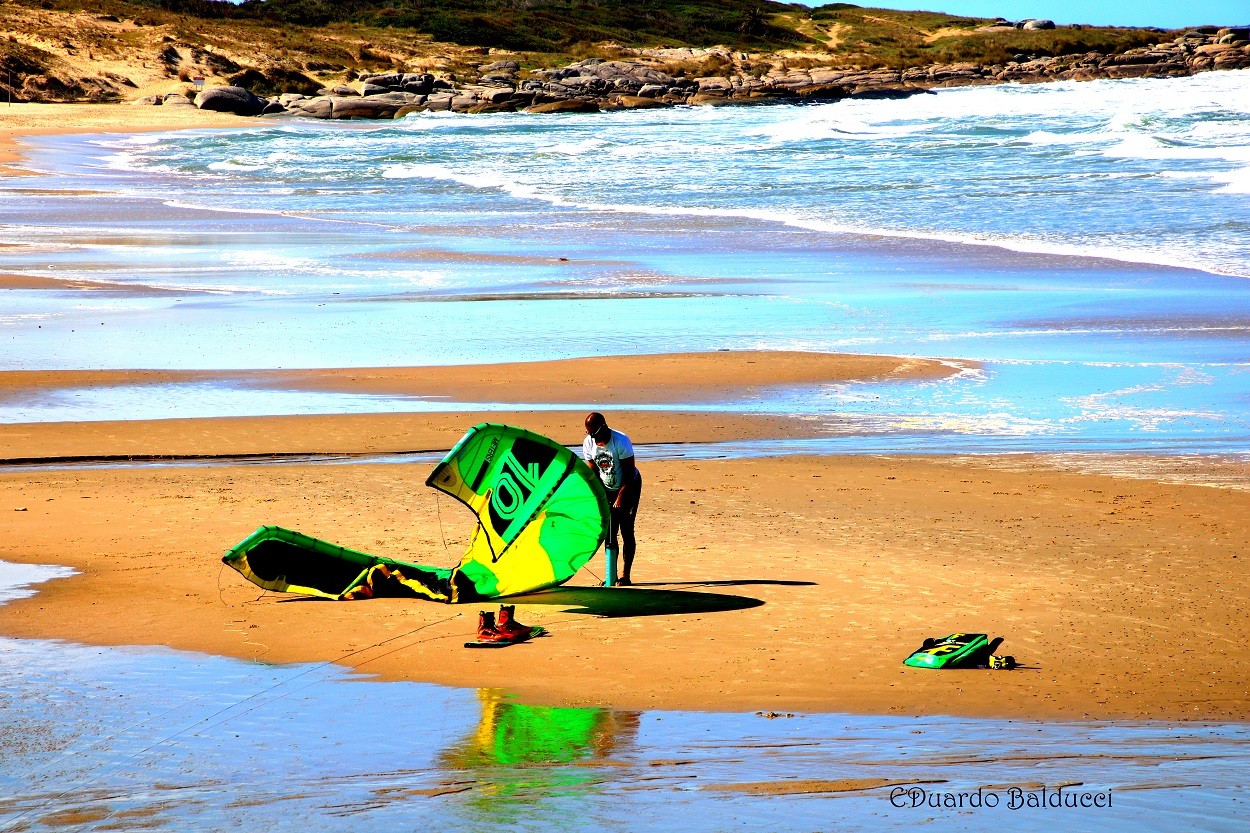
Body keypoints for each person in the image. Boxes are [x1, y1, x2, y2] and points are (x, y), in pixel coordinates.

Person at [582, 411, 641, 586]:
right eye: (589, 434)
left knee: (626, 530)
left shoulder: (621, 441)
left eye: (594, 433)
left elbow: (629, 474)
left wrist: (620, 497)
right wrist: (600, 496)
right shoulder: (589, 443)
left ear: (604, 427)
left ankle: (625, 576)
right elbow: (593, 472)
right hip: (607, 488)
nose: (592, 438)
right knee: (609, 532)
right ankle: (611, 575)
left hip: (629, 486)